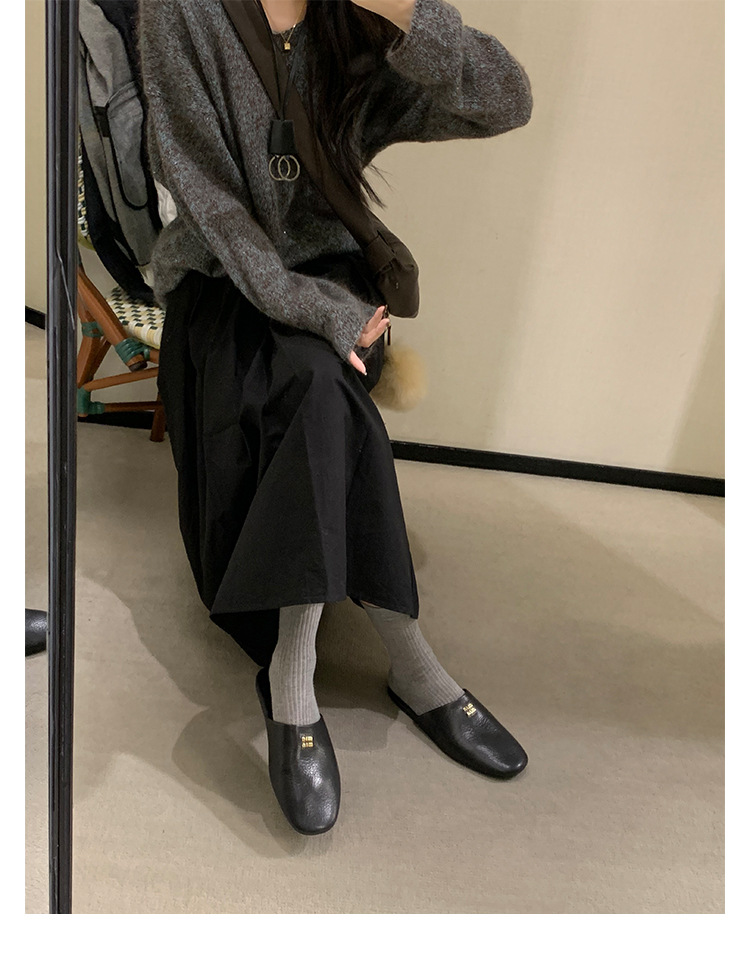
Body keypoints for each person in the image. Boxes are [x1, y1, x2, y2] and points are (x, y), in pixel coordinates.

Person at [137, 0, 533, 836]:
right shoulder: (181, 12)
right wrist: (315, 310)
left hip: (338, 284)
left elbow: (507, 100)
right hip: (224, 285)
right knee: (321, 385)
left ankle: (298, 682)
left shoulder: (349, 18)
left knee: (321, 382)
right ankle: (395, 665)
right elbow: (209, 200)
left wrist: (405, 13)